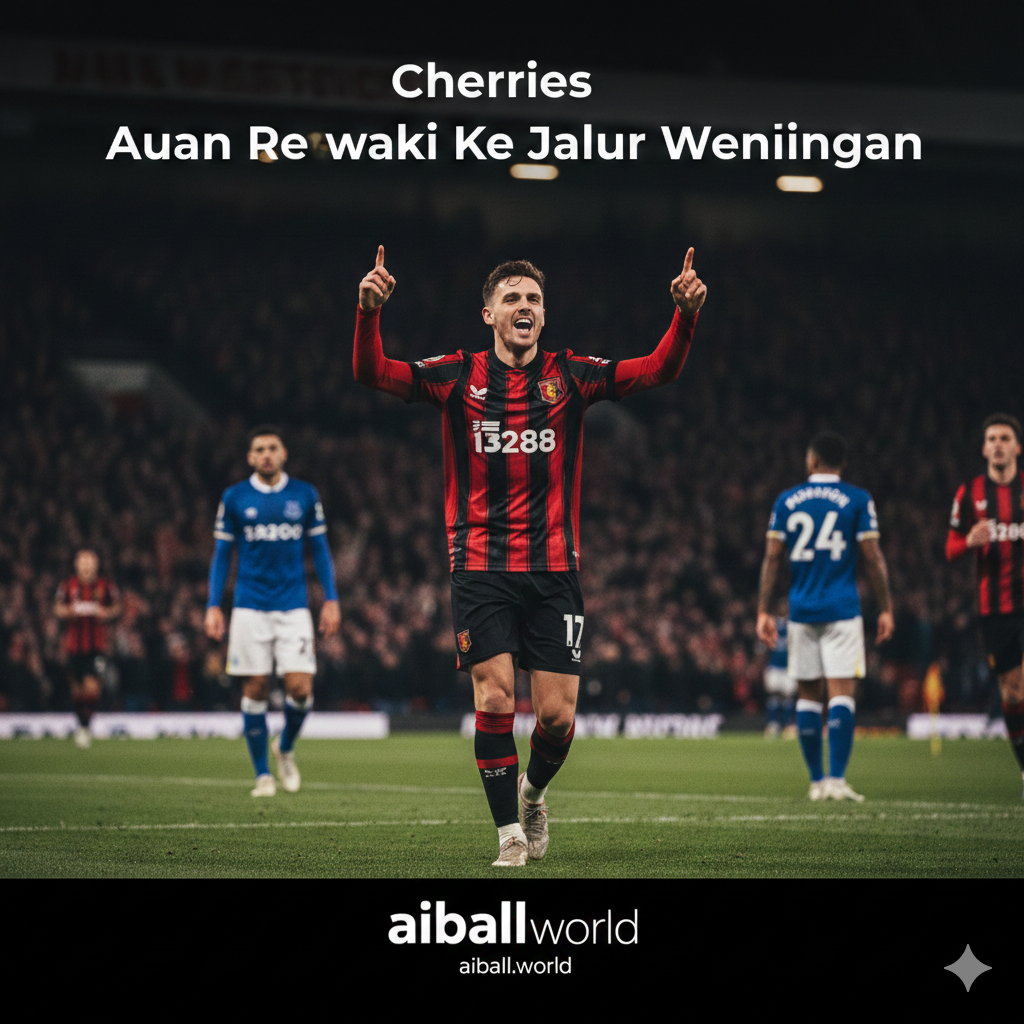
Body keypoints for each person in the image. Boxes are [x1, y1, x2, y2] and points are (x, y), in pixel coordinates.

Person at [354, 244, 706, 866]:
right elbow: (373, 372)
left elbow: (657, 370)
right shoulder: (456, 375)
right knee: (493, 699)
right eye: (512, 297)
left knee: (555, 719)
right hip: (480, 565)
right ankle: (507, 835)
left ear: (544, 316)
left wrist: (683, 317)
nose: (524, 305)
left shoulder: (571, 375)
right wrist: (367, 313)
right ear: (487, 314)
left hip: (554, 569)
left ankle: (533, 793)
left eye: (534, 299)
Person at [756, 432, 894, 801]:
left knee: (807, 699)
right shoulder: (857, 499)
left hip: (801, 610)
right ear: (842, 463)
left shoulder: (787, 500)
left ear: (812, 461)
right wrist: (885, 607)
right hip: (842, 609)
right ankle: (836, 780)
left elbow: (772, 557)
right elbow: (872, 557)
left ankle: (816, 783)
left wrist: (763, 610)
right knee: (842, 698)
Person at [205, 426, 341, 796]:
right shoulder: (234, 497)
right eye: (259, 449)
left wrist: (331, 598)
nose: (266, 454)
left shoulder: (304, 494)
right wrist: (213, 605)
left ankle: (284, 747)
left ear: (284, 454)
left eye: (272, 448)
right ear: (250, 457)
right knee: (256, 688)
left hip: (293, 605)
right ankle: (263, 775)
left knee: (300, 688)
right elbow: (222, 555)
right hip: (249, 606)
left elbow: (320, 550)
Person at [946, 413, 1024, 797]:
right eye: (991, 437)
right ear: (983, 448)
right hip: (997, 609)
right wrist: (969, 543)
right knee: (1014, 693)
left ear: (1016, 447)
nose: (997, 443)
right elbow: (950, 548)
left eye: (1004, 437)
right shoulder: (970, 493)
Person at [53, 549, 121, 748]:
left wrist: (106, 612)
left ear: (96, 564)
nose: (86, 564)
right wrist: (68, 611)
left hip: (97, 646)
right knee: (77, 691)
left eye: (90, 561)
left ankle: (85, 727)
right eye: (82, 561)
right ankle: (82, 725)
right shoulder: (67, 585)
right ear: (76, 564)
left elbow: (117, 607)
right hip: (74, 647)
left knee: (92, 687)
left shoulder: (105, 585)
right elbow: (57, 608)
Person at [762, 607, 797, 739]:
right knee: (774, 696)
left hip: (788, 668)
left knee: (788, 697)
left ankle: (787, 725)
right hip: (774, 667)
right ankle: (773, 724)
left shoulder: (793, 625)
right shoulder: (772, 625)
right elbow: (764, 647)